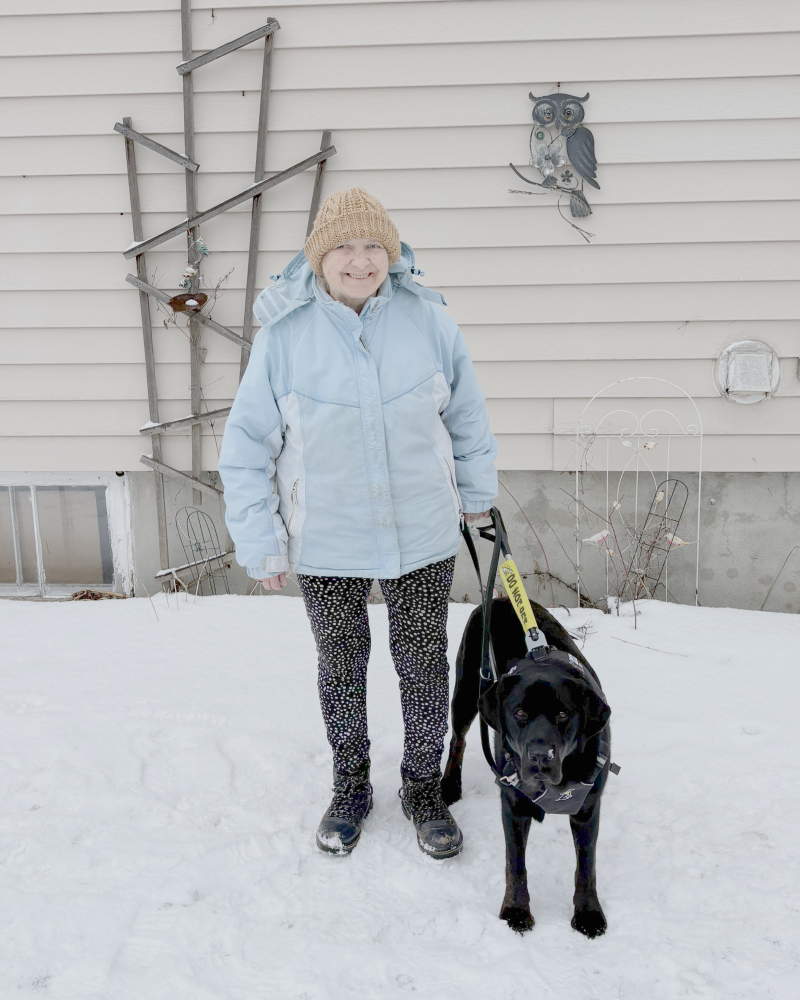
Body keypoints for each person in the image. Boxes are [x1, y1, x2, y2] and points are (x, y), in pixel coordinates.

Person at [219, 188, 497, 858]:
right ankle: (350, 785)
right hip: (327, 538)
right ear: (318, 258)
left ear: (391, 254)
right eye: (343, 246)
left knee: (423, 663)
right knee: (342, 664)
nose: (360, 259)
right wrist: (261, 540)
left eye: (373, 245)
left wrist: (478, 494)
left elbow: (467, 417)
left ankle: (422, 787)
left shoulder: (430, 322)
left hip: (422, 530)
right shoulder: (284, 335)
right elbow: (246, 443)